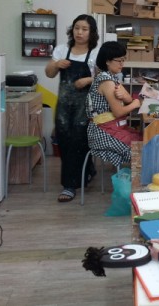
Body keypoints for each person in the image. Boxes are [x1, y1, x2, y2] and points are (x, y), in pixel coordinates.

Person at [45, 14, 100, 203]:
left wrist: (88, 79)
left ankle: (72, 184)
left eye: (84, 29)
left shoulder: (95, 54)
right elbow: (49, 74)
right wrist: (55, 64)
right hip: (63, 107)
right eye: (77, 28)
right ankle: (73, 180)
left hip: (85, 107)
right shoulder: (62, 50)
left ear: (91, 32)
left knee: (81, 142)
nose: (80, 32)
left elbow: (105, 78)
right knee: (65, 142)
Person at [86, 41, 142, 169]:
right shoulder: (106, 81)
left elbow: (127, 98)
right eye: (119, 60)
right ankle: (139, 181)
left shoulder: (111, 77)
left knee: (142, 140)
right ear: (107, 61)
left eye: (123, 60)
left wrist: (127, 97)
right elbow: (118, 112)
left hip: (110, 127)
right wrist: (135, 104)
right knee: (140, 150)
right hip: (102, 132)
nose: (122, 64)